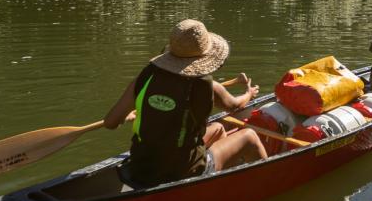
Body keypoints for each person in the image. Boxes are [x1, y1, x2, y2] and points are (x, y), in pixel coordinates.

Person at [104, 19, 266, 188]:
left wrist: (133, 110)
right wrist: (249, 94)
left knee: (218, 128)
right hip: (182, 170)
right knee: (250, 137)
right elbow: (234, 106)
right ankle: (268, 184)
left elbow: (110, 123)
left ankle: (216, 183)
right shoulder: (207, 85)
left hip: (140, 168)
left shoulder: (146, 76)